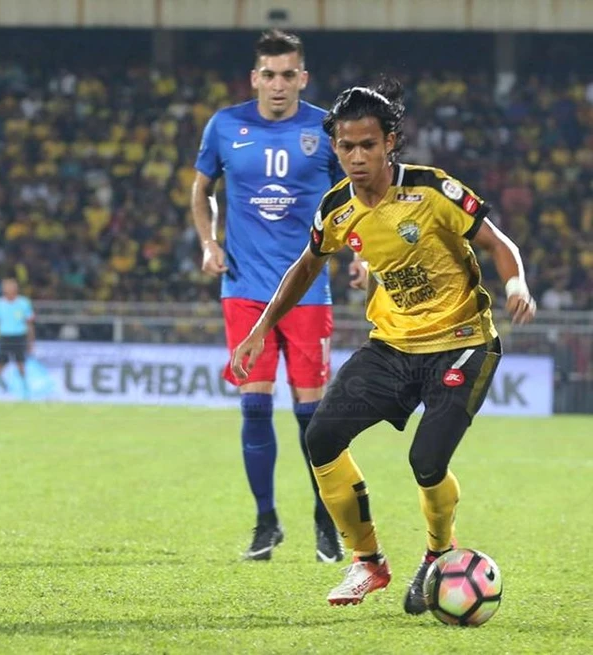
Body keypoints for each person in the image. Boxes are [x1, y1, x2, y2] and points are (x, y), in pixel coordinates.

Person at [230, 79, 536, 607]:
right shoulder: (337, 209)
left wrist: (516, 285)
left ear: (390, 142)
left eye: (368, 145)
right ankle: (368, 562)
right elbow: (306, 267)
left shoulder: (433, 191)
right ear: (335, 147)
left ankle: (437, 555)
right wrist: (260, 328)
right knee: (322, 438)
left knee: (427, 461)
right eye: (346, 146)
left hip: (462, 343)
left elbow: (497, 242)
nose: (357, 157)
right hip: (392, 348)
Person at [191, 29, 346, 562]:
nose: (278, 85)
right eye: (269, 75)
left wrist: (364, 253)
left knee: (311, 416)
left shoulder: (325, 128)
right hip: (244, 289)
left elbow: (355, 195)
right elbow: (201, 189)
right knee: (254, 407)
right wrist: (209, 242)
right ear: (254, 77)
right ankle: (266, 524)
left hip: (307, 290)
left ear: (303, 78)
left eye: (288, 75)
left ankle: (325, 520)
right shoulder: (225, 125)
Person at [0, 277, 35, 398]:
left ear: (16, 288)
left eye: (12, 286)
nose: (9, 289)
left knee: (20, 363)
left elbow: (29, 324)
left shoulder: (24, 303)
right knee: (0, 363)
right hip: (4, 336)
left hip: (19, 336)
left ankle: (25, 389)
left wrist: (31, 342)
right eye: (7, 286)